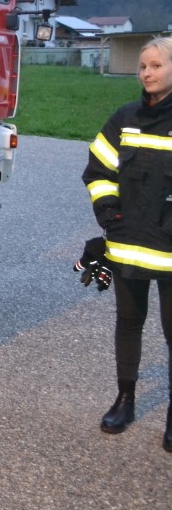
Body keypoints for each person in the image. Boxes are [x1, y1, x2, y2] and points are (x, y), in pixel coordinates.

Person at [81, 36, 172, 453]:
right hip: (127, 244)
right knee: (129, 323)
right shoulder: (124, 118)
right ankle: (125, 400)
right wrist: (109, 215)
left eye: (156, 66)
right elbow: (98, 170)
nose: (147, 73)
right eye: (143, 67)